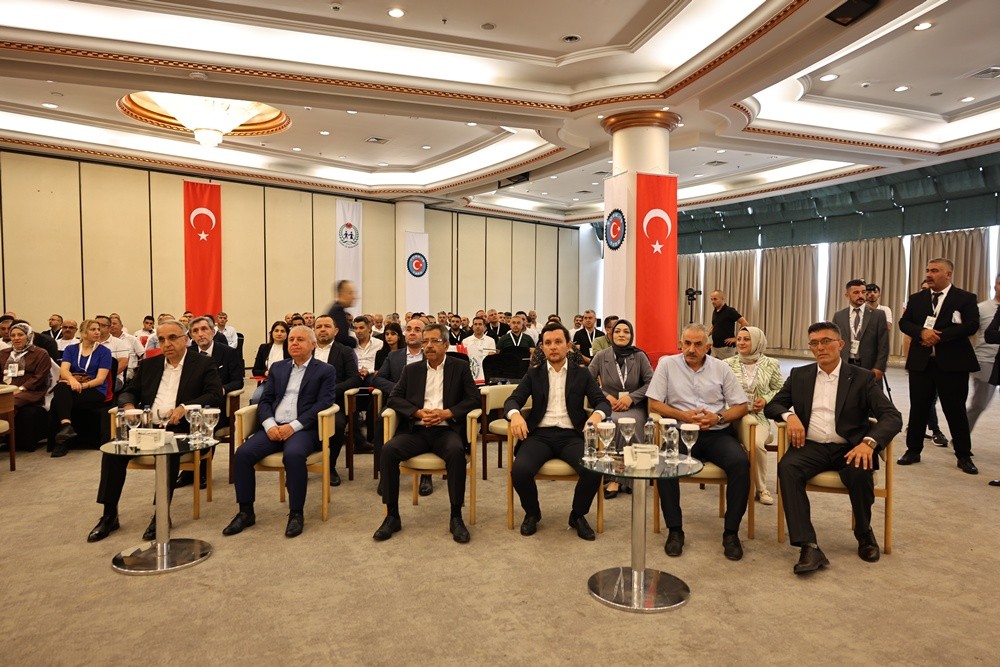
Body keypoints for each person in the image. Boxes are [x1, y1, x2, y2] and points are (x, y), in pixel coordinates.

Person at [765, 321, 902, 574]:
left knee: (860, 471)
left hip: (850, 447)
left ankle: (864, 532)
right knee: (787, 467)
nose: (820, 347)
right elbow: (773, 405)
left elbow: (892, 416)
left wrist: (869, 443)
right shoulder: (800, 375)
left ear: (841, 344)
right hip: (811, 446)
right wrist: (789, 416)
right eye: (814, 343)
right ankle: (808, 545)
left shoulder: (862, 378)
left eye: (826, 341)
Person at [85, 320, 223, 543]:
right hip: (147, 426)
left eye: (172, 338)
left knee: (167, 451)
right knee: (113, 451)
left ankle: (161, 513)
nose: (166, 343)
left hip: (180, 428)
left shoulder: (202, 364)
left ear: (185, 340)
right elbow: (129, 391)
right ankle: (109, 515)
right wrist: (129, 406)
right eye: (161, 339)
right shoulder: (150, 364)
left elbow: (214, 395)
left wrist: (184, 407)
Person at [647, 323, 750, 560]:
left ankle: (731, 533)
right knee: (665, 463)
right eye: (687, 343)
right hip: (680, 431)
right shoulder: (667, 365)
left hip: (716, 433)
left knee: (740, 463)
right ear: (680, 344)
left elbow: (741, 406)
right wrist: (682, 415)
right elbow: (654, 403)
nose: (691, 349)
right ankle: (675, 530)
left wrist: (718, 417)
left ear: (708, 346)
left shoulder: (721, 368)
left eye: (697, 344)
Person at [224, 325, 337, 538]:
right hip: (274, 426)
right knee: (243, 454)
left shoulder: (325, 370)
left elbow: (323, 403)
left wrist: (293, 426)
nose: (294, 343)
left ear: (313, 345)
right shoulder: (278, 368)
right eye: (291, 339)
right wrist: (269, 425)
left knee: (293, 455)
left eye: (300, 340)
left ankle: (296, 513)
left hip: (303, 429)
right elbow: (265, 400)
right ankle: (246, 512)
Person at [373, 324, 480, 543]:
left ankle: (456, 517)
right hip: (417, 430)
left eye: (434, 341)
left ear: (446, 345)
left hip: (446, 430)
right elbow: (394, 398)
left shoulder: (459, 367)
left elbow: (474, 399)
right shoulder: (411, 370)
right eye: (425, 342)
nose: (429, 346)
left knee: (456, 452)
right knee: (389, 450)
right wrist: (417, 412)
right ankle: (392, 516)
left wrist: (447, 413)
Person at [505, 322, 610, 541]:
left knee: (593, 468)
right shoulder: (533, 374)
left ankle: (577, 515)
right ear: (542, 347)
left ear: (568, 345)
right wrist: (515, 415)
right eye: (548, 343)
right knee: (520, 471)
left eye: (558, 342)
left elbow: (602, 402)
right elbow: (513, 400)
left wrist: (596, 416)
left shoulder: (582, 374)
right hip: (539, 435)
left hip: (572, 435)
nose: (553, 347)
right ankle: (532, 513)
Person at [897, 258, 980, 474]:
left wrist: (938, 336)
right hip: (922, 363)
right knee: (918, 408)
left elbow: (972, 325)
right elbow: (904, 323)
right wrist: (922, 332)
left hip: (953, 364)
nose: (929, 274)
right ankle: (913, 450)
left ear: (948, 274)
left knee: (955, 410)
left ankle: (963, 455)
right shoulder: (917, 298)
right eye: (927, 270)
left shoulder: (965, 298)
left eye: (934, 270)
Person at [176, 316, 244, 489]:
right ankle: (186, 470)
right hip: (191, 405)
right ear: (191, 336)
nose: (200, 334)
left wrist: (222, 389)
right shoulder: (188, 354)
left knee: (206, 423)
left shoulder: (228, 353)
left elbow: (238, 381)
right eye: (195, 331)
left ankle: (202, 471)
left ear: (213, 332)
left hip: (217, 407)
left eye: (204, 329)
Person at [587, 319, 652, 499]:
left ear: (631, 335)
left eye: (626, 331)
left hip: (634, 406)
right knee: (613, 422)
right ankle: (616, 477)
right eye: (617, 331)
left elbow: (651, 382)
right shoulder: (601, 356)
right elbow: (588, 381)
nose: (621, 334)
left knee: (629, 423)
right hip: (609, 405)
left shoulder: (639, 356)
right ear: (610, 335)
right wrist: (605, 396)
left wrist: (632, 397)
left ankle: (629, 476)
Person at [372, 318, 434, 496]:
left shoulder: (431, 355)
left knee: (430, 422)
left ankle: (426, 475)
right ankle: (385, 475)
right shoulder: (394, 356)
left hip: (425, 403)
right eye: (409, 329)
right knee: (381, 420)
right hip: (398, 403)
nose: (412, 332)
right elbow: (377, 379)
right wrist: (398, 389)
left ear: (424, 335)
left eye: (417, 329)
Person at [724, 326, 784, 505]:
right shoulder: (726, 363)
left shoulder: (771, 364)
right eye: (739, 339)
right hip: (732, 416)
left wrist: (765, 399)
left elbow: (780, 389)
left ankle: (761, 488)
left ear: (757, 342)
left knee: (756, 443)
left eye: (747, 339)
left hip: (758, 417)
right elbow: (718, 390)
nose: (741, 343)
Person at [49, 319, 114, 457]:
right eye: (93, 329)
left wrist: (82, 385)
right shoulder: (71, 349)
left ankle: (61, 443)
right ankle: (66, 427)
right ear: (83, 332)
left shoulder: (104, 351)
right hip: (74, 386)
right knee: (61, 387)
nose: (97, 332)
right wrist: (73, 380)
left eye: (98, 329)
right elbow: (64, 371)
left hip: (95, 389)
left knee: (57, 402)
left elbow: (100, 379)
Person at [313, 315, 363, 484]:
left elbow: (354, 379)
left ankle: (330, 465)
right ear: (313, 330)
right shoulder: (306, 350)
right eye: (319, 326)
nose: (322, 329)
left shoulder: (345, 351)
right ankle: (298, 464)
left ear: (335, 331)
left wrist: (331, 390)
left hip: (333, 403)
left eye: (327, 326)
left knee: (338, 424)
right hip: (306, 403)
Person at [832, 279, 889, 380]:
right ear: (847, 295)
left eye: (863, 292)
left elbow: (883, 344)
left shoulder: (878, 315)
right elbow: (834, 342)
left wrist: (880, 367)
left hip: (869, 366)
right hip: (845, 364)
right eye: (856, 292)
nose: (861, 295)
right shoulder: (839, 316)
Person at [966, 275, 1000, 434]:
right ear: (994, 286)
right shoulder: (982, 308)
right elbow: (968, 333)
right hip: (986, 361)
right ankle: (961, 436)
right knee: (980, 404)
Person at [0, 322, 52, 408]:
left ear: (29, 336)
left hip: (30, 391)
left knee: (8, 402)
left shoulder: (40, 353)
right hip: (6, 389)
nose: (16, 338)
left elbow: (39, 377)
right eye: (13, 335)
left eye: (20, 335)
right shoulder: (3, 353)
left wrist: (21, 388)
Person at [251, 321, 290, 403]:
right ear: (272, 333)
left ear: (287, 334)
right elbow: (255, 370)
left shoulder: (290, 349)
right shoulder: (263, 348)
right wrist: (265, 373)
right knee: (256, 399)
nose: (279, 334)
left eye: (282, 331)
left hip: (286, 383)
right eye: (276, 331)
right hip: (267, 383)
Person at [708, 290, 749, 360]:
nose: (713, 301)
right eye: (711, 299)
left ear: (722, 298)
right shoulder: (715, 311)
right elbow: (713, 326)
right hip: (715, 348)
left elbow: (744, 323)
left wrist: (736, 338)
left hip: (726, 348)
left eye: (715, 299)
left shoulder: (729, 311)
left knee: (728, 366)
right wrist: (706, 335)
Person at [461, 315, 497, 383]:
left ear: (484, 326)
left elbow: (491, 357)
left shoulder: (491, 340)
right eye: (475, 324)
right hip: (471, 370)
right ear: (472, 326)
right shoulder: (465, 341)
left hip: (487, 370)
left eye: (480, 324)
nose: (477, 326)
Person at [325, 279, 358, 349]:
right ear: (341, 294)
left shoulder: (337, 309)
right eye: (350, 293)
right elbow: (341, 339)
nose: (354, 297)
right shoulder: (337, 311)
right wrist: (355, 341)